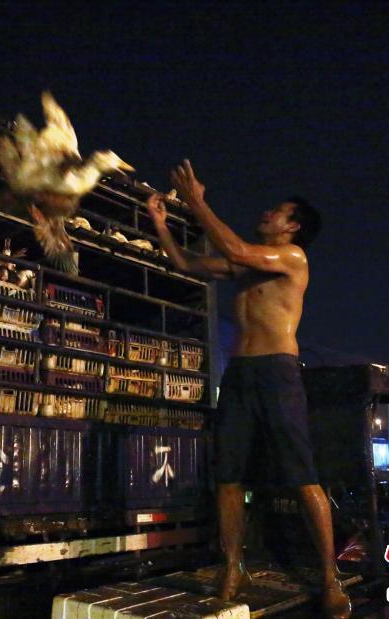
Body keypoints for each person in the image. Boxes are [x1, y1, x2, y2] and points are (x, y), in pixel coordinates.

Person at [146, 161, 350, 618]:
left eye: (277, 211)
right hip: (239, 374)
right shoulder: (245, 266)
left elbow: (235, 247)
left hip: (278, 371)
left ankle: (330, 578)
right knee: (229, 477)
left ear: (293, 226)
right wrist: (160, 222)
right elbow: (184, 261)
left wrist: (196, 199)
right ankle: (233, 567)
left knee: (303, 477)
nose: (267, 213)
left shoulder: (293, 257)